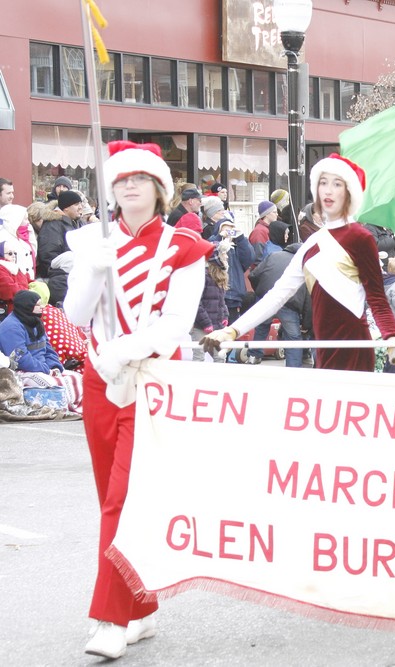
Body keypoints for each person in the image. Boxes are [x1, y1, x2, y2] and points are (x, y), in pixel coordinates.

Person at [62, 140, 214, 659]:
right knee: (111, 491)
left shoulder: (182, 246)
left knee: (122, 498)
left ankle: (109, 618)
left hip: (150, 379)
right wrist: (90, 270)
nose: (129, 186)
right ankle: (141, 608)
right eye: (121, 179)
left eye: (140, 178)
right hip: (100, 382)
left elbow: (176, 322)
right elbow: (78, 316)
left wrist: (120, 351)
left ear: (159, 188)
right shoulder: (91, 242)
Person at [202, 154, 395, 371]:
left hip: (354, 353)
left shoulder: (360, 238)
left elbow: (377, 299)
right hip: (322, 351)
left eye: (337, 184)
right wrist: (233, 330)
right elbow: (277, 295)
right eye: (323, 183)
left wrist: (392, 340)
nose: (328, 191)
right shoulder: (311, 244)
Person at [0, 289, 83, 414]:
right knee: (51, 383)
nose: (41, 308)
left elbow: (48, 349)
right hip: (21, 371)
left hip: (43, 367)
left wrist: (55, 367)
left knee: (77, 377)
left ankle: (78, 407)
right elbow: (21, 359)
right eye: (37, 305)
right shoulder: (11, 327)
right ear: (27, 306)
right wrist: (46, 370)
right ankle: (64, 408)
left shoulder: (36, 322)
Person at [248, 230, 309, 368]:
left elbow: (253, 275)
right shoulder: (303, 263)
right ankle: (293, 366)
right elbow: (307, 291)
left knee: (262, 326)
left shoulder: (273, 255)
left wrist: (260, 291)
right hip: (289, 302)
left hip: (267, 297)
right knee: (293, 335)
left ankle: (254, 356)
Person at [208, 215, 253, 323]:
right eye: (226, 229)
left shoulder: (237, 246)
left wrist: (241, 238)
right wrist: (220, 237)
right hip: (217, 294)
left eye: (231, 229)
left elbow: (249, 259)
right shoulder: (213, 241)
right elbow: (208, 249)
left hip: (234, 295)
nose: (229, 232)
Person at [36, 189, 84, 278]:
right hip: (60, 279)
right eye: (76, 204)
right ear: (66, 208)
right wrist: (62, 275)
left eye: (81, 204)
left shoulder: (76, 222)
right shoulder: (52, 225)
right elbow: (48, 257)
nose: (81, 207)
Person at [1, 235, 30, 319]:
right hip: (12, 312)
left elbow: (29, 280)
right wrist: (30, 292)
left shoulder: (16, 267)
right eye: (10, 253)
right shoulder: (1, 268)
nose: (13, 255)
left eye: (15, 253)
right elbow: (10, 290)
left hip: (24, 306)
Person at [249, 199, 279, 264]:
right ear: (266, 214)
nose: (277, 214)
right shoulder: (259, 232)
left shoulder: (268, 228)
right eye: (274, 212)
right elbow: (258, 256)